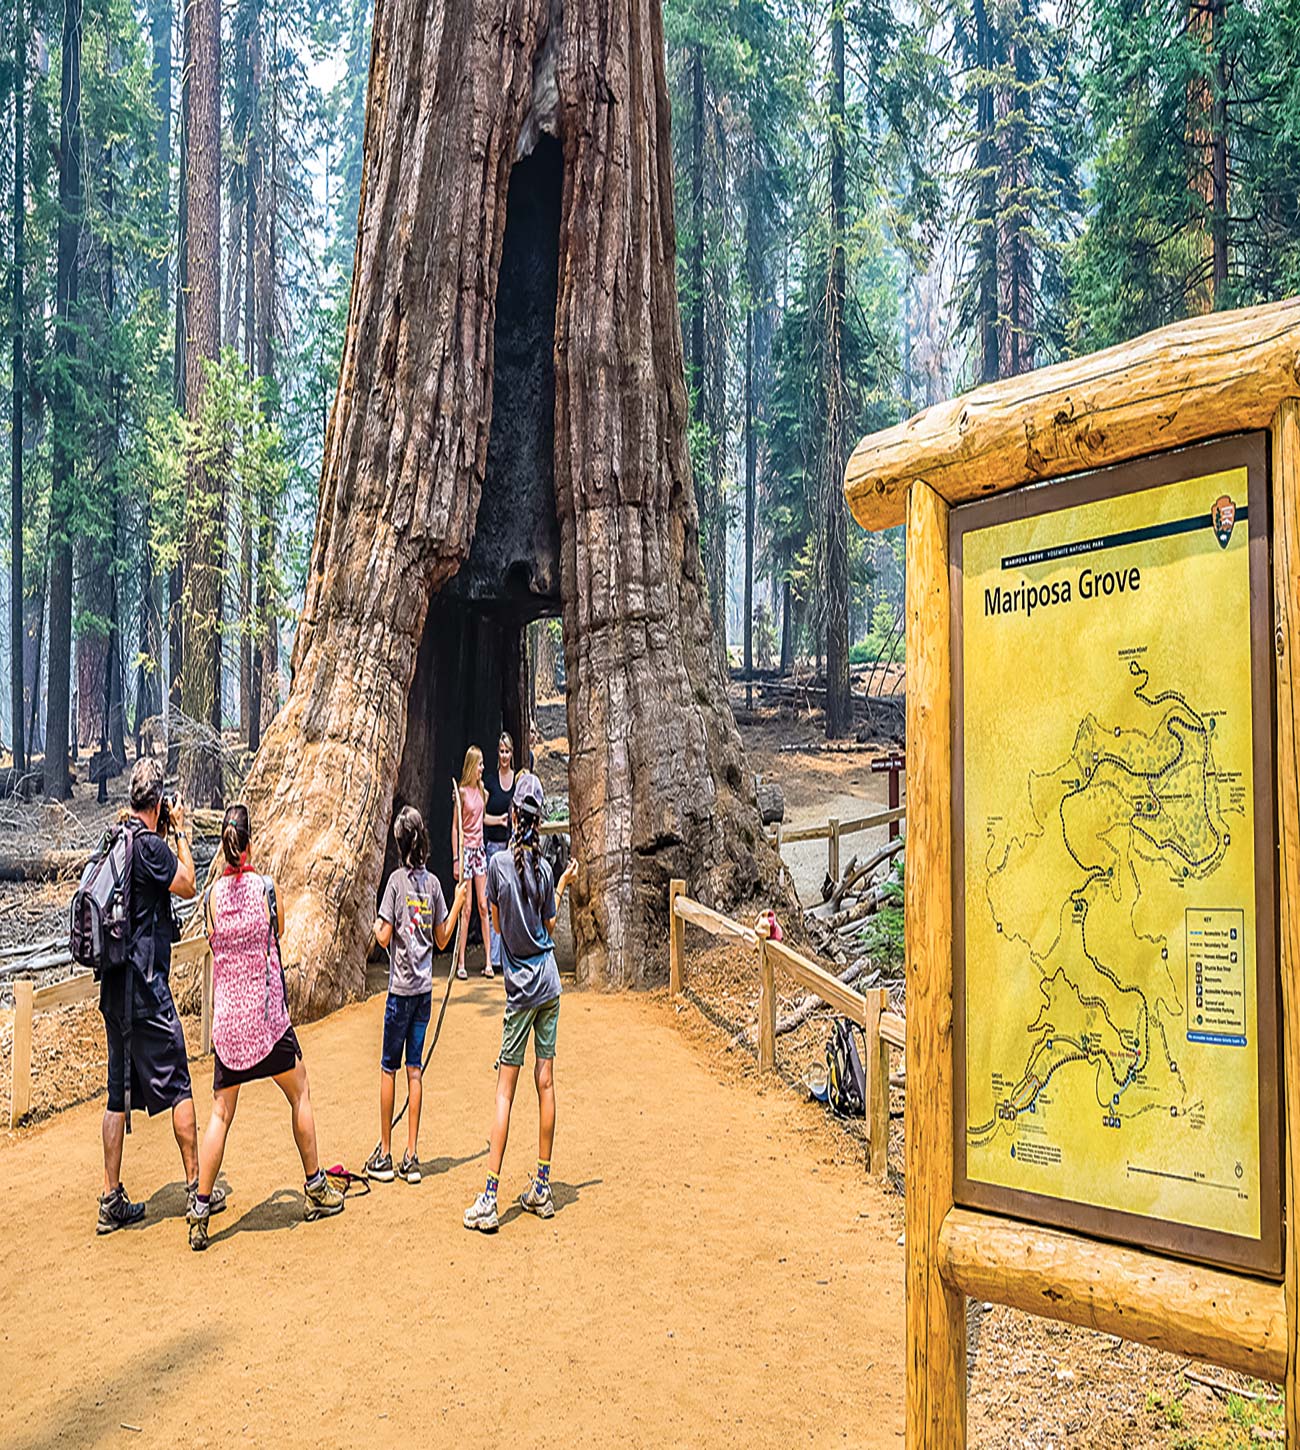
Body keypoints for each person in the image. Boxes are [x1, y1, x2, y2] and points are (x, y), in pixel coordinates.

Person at [186, 805, 345, 1250]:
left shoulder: (213, 898)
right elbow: (275, 932)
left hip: (229, 1025)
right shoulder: (264, 887)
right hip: (266, 1017)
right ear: (250, 843)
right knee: (300, 1092)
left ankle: (199, 1209)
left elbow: (215, 939)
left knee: (221, 1113)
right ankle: (316, 1188)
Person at [96, 757, 220, 1235]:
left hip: (113, 989)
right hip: (147, 990)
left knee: (115, 1097)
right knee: (180, 1084)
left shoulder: (114, 841)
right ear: (160, 801)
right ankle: (196, 1189)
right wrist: (182, 832)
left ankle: (111, 1198)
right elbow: (187, 884)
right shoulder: (149, 846)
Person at [464, 772, 578, 1232]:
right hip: (549, 985)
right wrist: (564, 883)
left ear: (513, 817)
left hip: (521, 990)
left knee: (504, 1092)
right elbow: (548, 929)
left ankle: (490, 1199)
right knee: (545, 1082)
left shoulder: (498, 868)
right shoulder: (545, 871)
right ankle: (543, 1187)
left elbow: (495, 919)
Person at [365, 805, 470, 1184]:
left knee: (387, 1068)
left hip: (400, 993)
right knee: (415, 1070)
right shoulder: (434, 886)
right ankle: (412, 1156)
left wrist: (376, 922)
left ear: (399, 843)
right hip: (424, 992)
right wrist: (458, 903)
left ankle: (386, 1154)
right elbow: (443, 939)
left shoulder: (395, 883)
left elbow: (383, 936)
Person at [451, 745, 494, 980]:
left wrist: (499, 821)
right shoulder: (462, 793)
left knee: (482, 904)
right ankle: (461, 961)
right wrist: (457, 858)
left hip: (480, 851)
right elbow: (456, 827)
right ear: (471, 765)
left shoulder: (483, 792)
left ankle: (488, 960)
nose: (482, 768)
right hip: (466, 850)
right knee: (465, 909)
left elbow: (482, 818)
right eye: (480, 764)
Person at [482, 732, 517, 973]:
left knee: (509, 902)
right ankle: (493, 958)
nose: (504, 756)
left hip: (511, 848)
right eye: (501, 751)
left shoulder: (518, 781)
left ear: (512, 753)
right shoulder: (491, 782)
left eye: (507, 751)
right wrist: (499, 821)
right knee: (492, 901)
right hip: (493, 849)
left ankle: (509, 957)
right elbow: (479, 815)